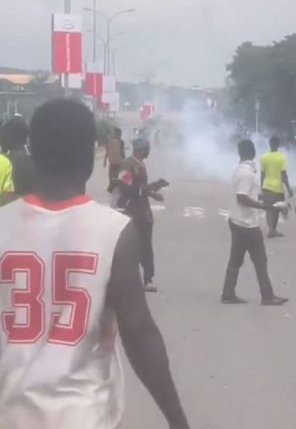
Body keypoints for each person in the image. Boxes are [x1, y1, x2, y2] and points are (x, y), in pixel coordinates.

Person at [0, 99, 188, 429]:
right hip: (83, 416)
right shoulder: (113, 231)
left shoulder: (3, 223)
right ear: (91, 155)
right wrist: (177, 419)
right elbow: (138, 331)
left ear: (34, 151)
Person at [221, 139, 289, 306]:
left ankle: (228, 293)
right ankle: (267, 296)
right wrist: (263, 206)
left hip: (237, 221)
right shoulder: (248, 174)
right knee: (260, 260)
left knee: (235, 261)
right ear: (253, 153)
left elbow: (244, 194)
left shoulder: (240, 170)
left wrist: (262, 198)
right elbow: (242, 197)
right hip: (247, 224)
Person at [114, 138, 168, 292]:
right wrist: (148, 189)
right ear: (142, 149)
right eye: (147, 148)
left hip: (143, 212)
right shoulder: (127, 165)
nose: (149, 150)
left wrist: (153, 192)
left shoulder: (139, 164)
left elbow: (139, 188)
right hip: (132, 213)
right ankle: (129, 280)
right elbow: (124, 187)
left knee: (145, 248)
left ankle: (148, 279)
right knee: (131, 248)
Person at [260, 136, 293, 238]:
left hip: (267, 186)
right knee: (277, 209)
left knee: (269, 209)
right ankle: (272, 230)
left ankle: (271, 230)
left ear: (270, 144)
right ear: (278, 145)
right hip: (278, 188)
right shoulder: (282, 157)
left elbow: (262, 175)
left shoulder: (263, 157)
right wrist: (288, 188)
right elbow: (284, 175)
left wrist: (262, 187)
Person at [103, 126, 125, 190]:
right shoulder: (121, 142)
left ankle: (112, 186)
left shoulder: (109, 142)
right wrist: (125, 160)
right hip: (119, 161)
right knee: (117, 174)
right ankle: (118, 187)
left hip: (113, 162)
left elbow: (107, 151)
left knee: (111, 175)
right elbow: (122, 152)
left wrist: (105, 161)